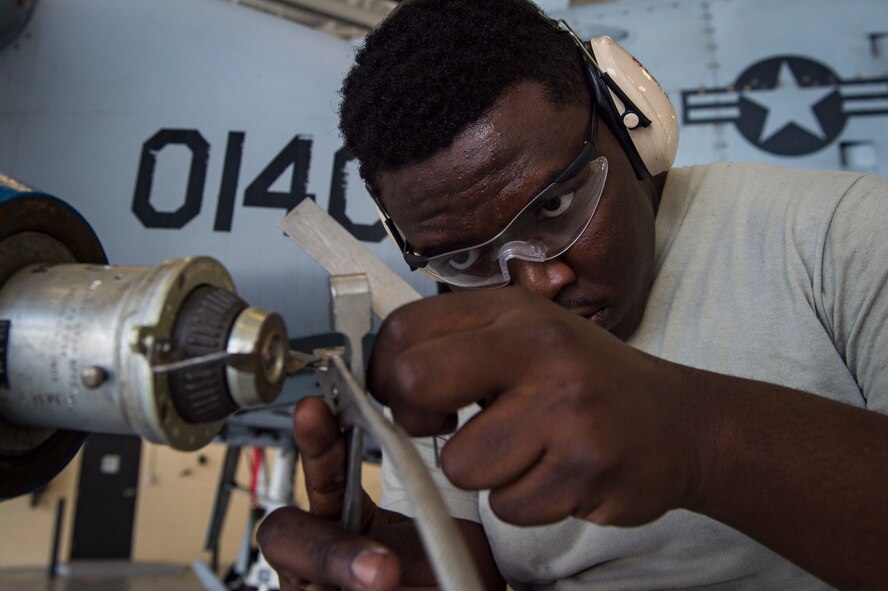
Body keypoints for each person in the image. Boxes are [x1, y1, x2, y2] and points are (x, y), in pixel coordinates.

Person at [257, 1, 888, 589]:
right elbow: (464, 563)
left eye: (556, 204)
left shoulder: (842, 236)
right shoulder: (451, 353)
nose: (537, 285)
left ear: (631, 122)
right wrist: (425, 569)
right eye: (466, 258)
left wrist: (695, 437)